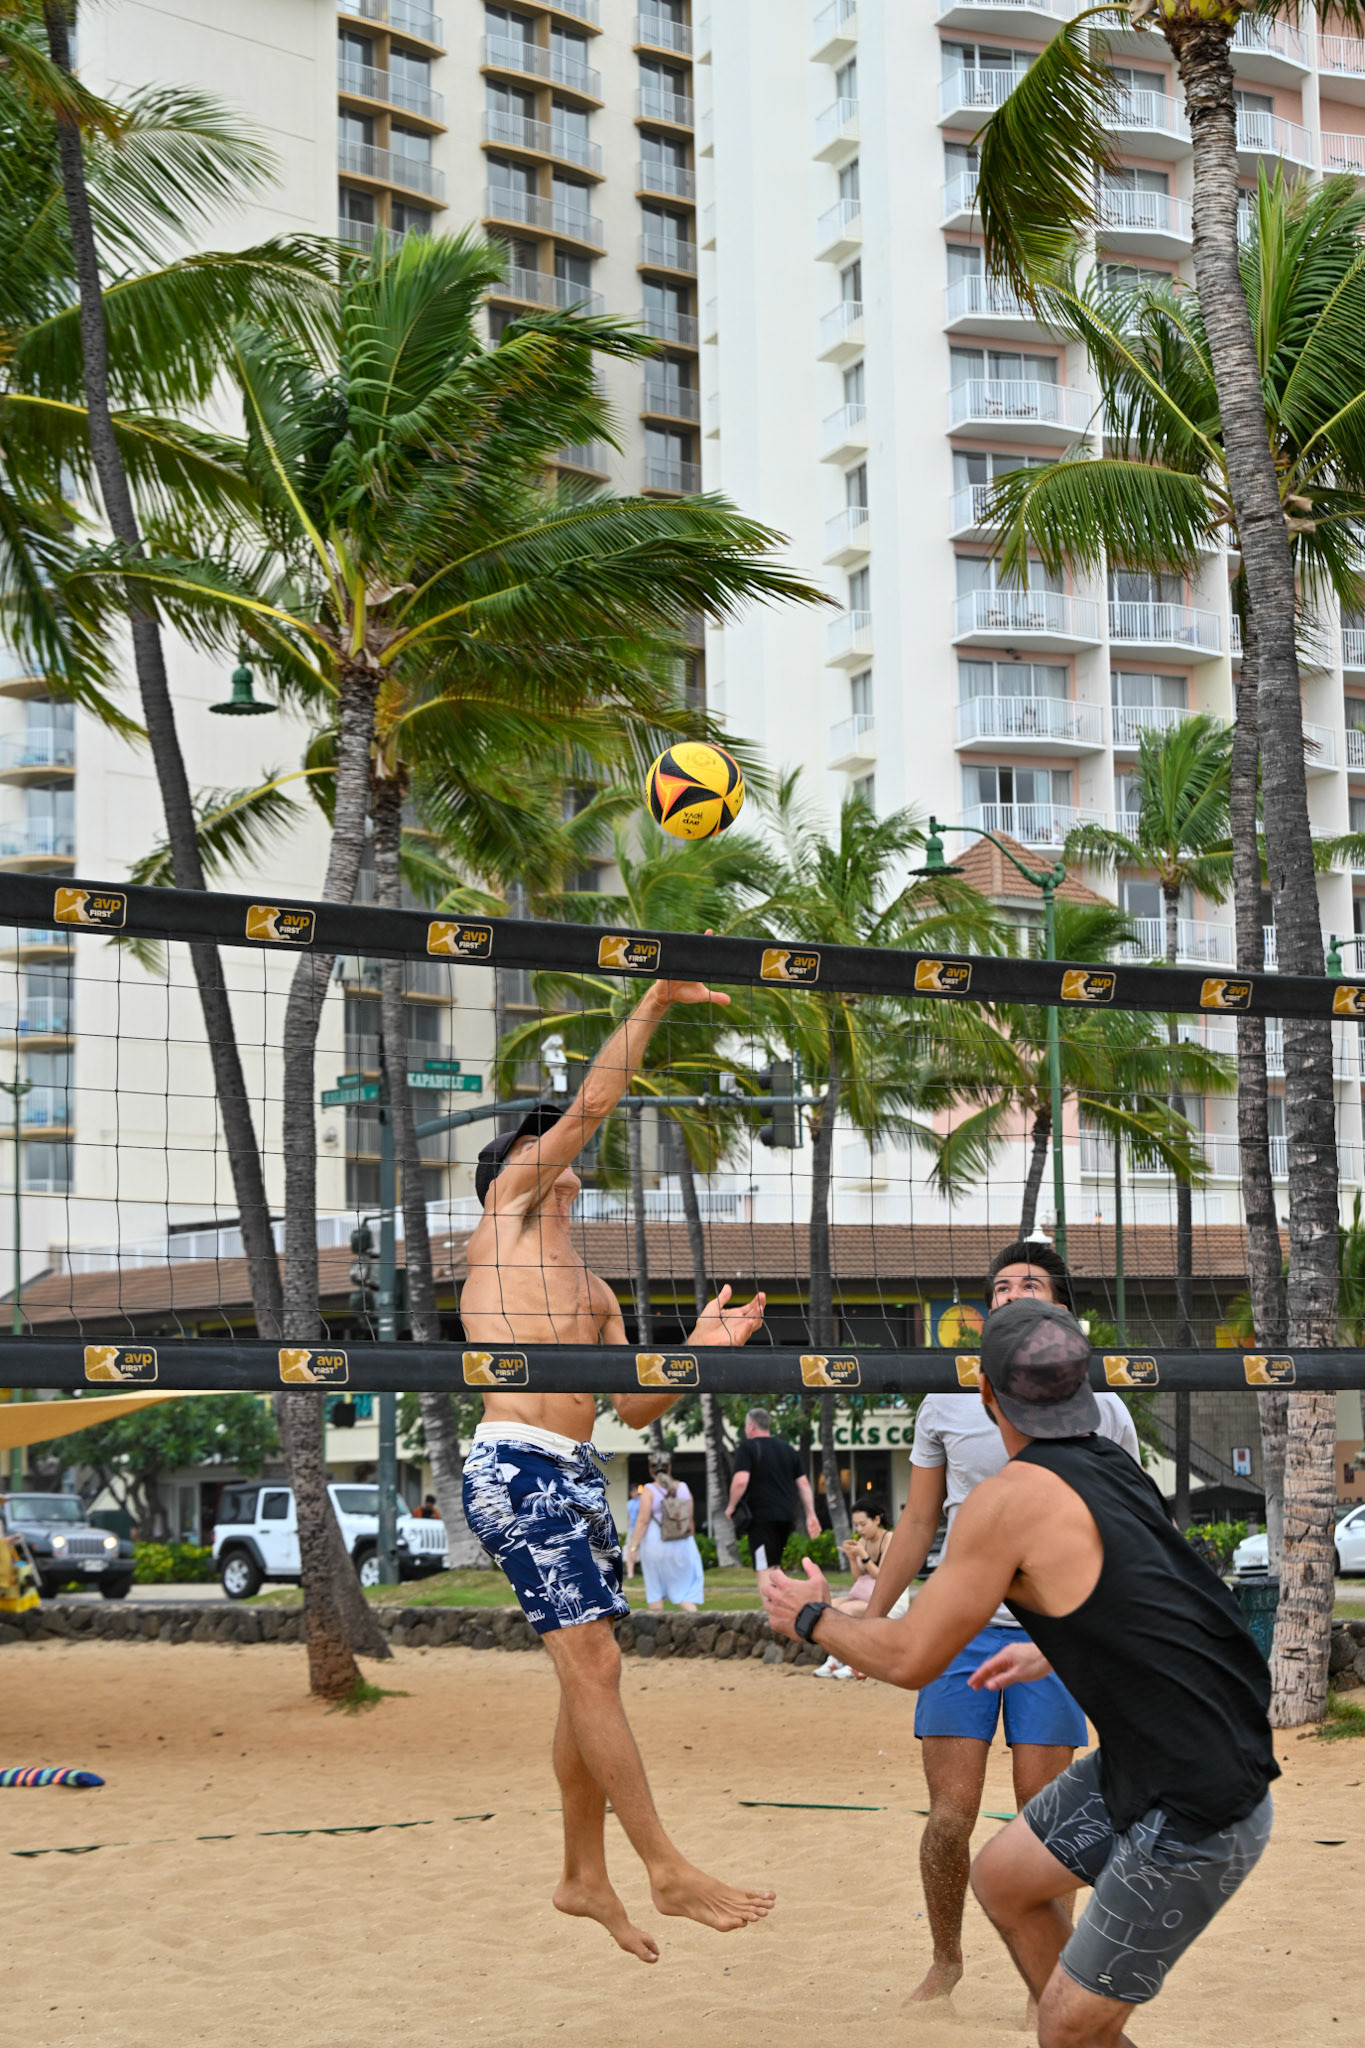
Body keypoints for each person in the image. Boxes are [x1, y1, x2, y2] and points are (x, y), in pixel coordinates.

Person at [763, 1299, 1277, 2048]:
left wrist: (809, 1616)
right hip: (1172, 1756)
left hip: (1202, 1801)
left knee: (1064, 2028)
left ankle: (1074, 2026)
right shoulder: (1112, 1465)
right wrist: (1056, 1646)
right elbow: (1180, 1598)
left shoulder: (1004, 1501)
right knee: (1003, 1880)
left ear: (985, 1393)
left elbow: (909, 1659)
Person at [459, 971, 774, 1964]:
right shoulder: (504, 1219)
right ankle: (661, 1866)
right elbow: (592, 1105)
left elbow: (632, 1407)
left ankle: (582, 1873)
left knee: (586, 1674)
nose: (563, 1152)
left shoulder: (592, 1290)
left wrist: (703, 1348)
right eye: (542, 1141)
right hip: (513, 1466)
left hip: (576, 1472)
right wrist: (653, 1004)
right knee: (592, 1665)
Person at [857, 1238, 1140, 2004]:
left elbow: (1125, 1528)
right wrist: (873, 1619)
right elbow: (917, 1523)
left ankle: (1047, 1981)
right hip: (961, 1627)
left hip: (1054, 1635)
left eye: (1029, 1284)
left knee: (1042, 1824)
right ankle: (944, 1961)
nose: (1011, 1293)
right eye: (1000, 1286)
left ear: (1061, 1310)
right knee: (949, 1818)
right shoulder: (948, 1400)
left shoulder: (1103, 1408)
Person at [725, 1406, 821, 1591]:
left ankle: (768, 1608)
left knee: (763, 1567)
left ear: (751, 1426)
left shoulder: (748, 1447)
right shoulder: (788, 1449)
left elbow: (740, 1481)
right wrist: (811, 1515)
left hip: (761, 1518)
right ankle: (778, 1605)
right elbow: (804, 1484)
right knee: (775, 1566)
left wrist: (731, 1507)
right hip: (786, 1518)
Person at [812, 1497, 892, 1679]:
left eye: (863, 1524)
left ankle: (855, 1662)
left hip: (888, 1598)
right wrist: (851, 1558)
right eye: (856, 1525)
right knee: (828, 1607)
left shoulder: (889, 1539)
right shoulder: (863, 1541)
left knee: (846, 1611)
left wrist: (863, 1555)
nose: (859, 1529)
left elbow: (882, 1576)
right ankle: (836, 1658)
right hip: (864, 1595)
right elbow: (857, 1577)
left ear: (876, 1520)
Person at [624, 1451, 705, 1612]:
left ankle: (657, 1626)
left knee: (655, 1592)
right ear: (669, 1467)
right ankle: (697, 1620)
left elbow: (642, 1521)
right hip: (683, 1545)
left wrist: (633, 1548)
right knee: (683, 1592)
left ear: (651, 1470)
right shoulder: (684, 1488)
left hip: (656, 1546)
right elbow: (690, 1520)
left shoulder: (649, 1490)